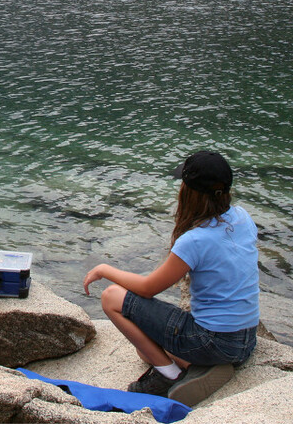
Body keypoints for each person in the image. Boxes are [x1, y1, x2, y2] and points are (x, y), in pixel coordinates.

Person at [82, 151, 259, 407]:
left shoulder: (195, 240)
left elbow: (148, 288)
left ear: (190, 193)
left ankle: (169, 374)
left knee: (112, 297)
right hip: (245, 341)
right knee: (144, 349)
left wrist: (104, 269)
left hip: (211, 341)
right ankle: (197, 365)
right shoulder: (243, 217)